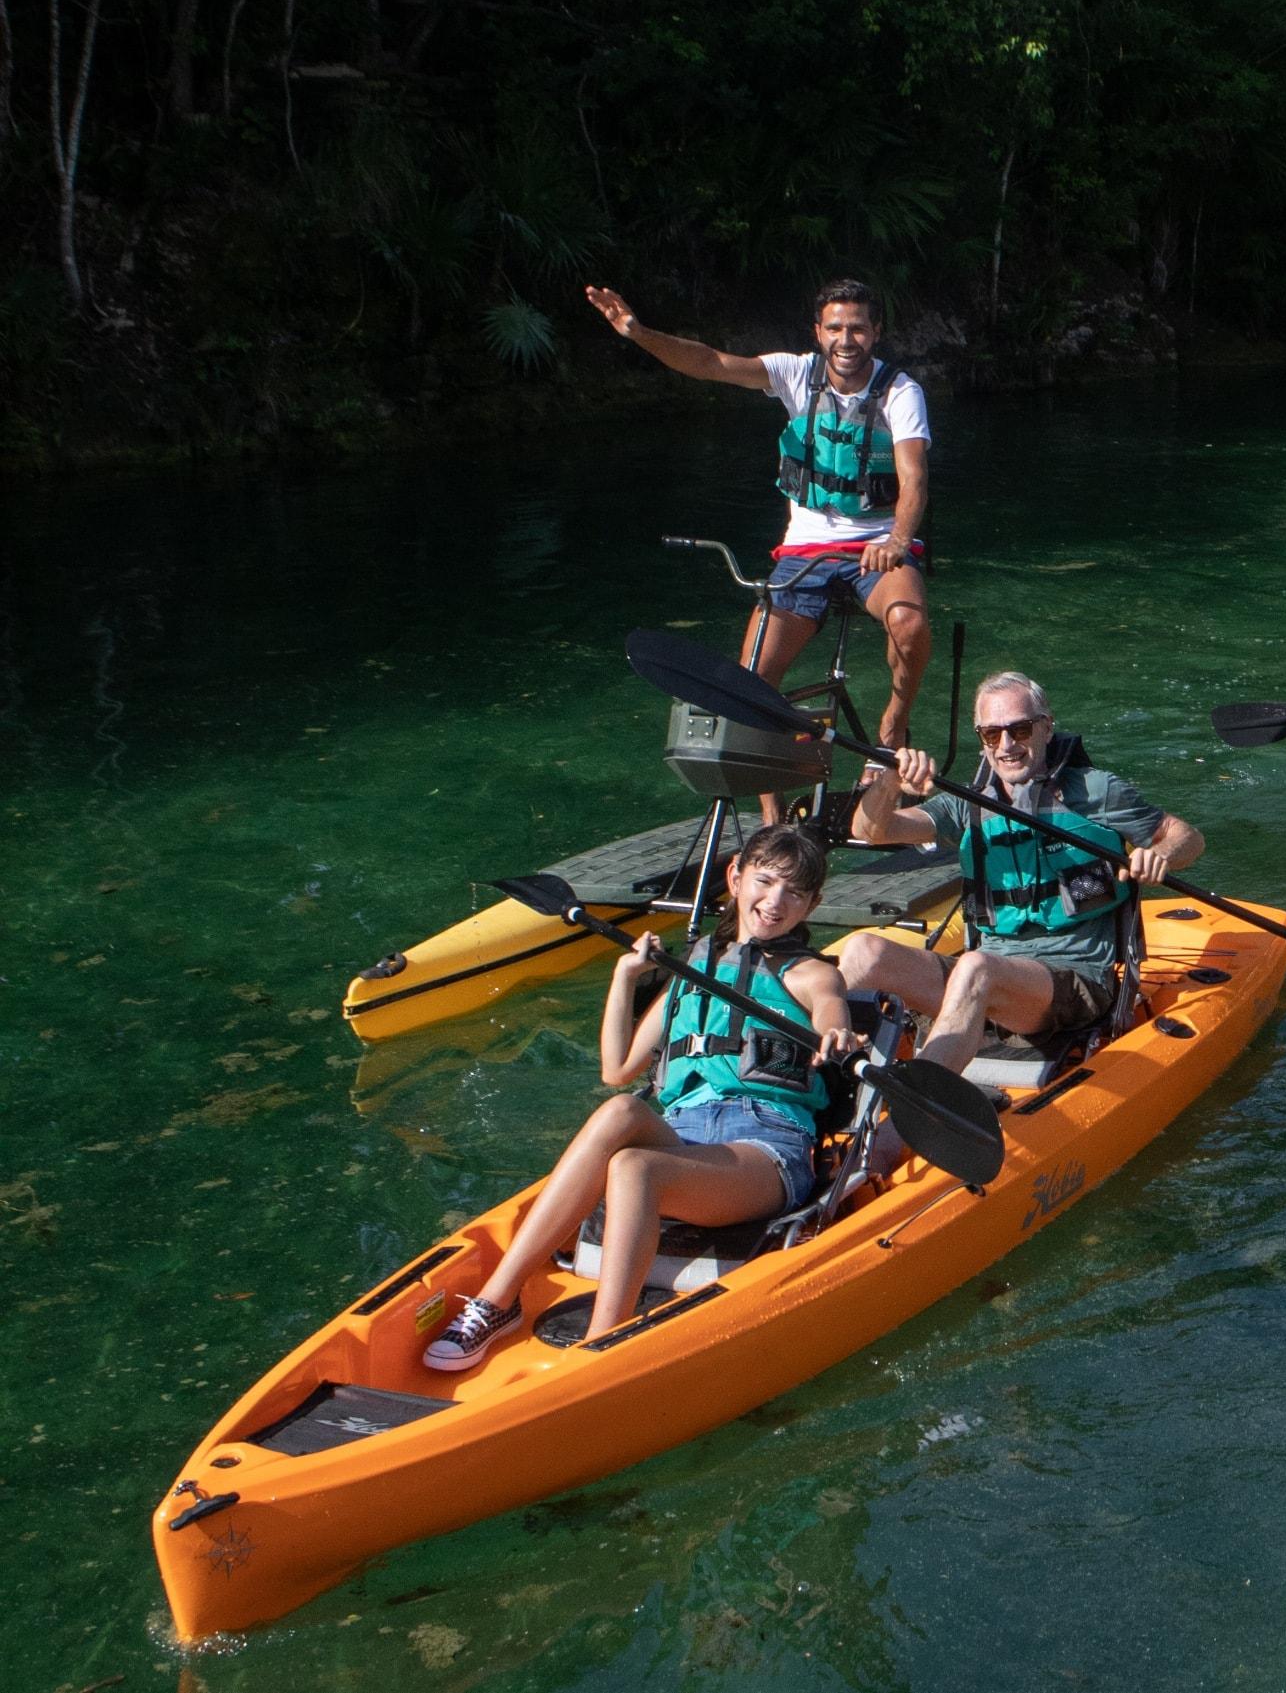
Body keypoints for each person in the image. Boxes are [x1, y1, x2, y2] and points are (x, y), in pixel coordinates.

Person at [421, 825, 856, 1369]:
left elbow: (830, 1007)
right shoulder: (692, 970)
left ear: (812, 902)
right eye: (765, 882)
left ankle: (605, 1342)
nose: (775, 901)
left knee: (633, 1168)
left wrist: (837, 1030)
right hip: (686, 1134)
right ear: (736, 878)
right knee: (622, 1110)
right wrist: (626, 976)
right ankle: (495, 1301)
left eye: (794, 892)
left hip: (763, 1149)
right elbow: (617, 1069)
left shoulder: (810, 973)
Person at [584, 276, 932, 749]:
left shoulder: (900, 392)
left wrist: (896, 541)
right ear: (817, 332)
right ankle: (771, 817)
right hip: (804, 550)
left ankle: (893, 723)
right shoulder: (794, 373)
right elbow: (710, 363)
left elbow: (913, 480)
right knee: (748, 690)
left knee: (909, 625)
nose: (845, 340)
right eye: (834, 328)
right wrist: (639, 333)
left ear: (875, 332)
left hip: (876, 545)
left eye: (857, 329)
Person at [842, 673, 1201, 1077]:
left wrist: (1161, 855)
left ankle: (912, 1112)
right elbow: (872, 831)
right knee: (862, 953)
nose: (1007, 746)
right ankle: (802, 1087)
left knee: (976, 968)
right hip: (990, 973)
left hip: (1075, 980)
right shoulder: (968, 804)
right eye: (992, 735)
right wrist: (890, 781)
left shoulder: (1094, 791)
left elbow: (1185, 836)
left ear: (1046, 728)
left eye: (1020, 729)